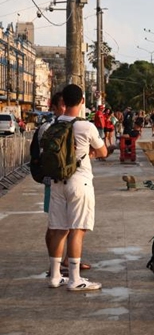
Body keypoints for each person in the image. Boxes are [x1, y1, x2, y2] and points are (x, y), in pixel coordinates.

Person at [46, 84, 108, 291]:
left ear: (63, 101)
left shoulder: (51, 126)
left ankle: (55, 276)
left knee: (58, 229)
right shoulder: (86, 127)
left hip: (57, 182)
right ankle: (75, 278)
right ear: (82, 101)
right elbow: (103, 152)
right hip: (79, 182)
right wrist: (88, 152)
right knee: (77, 231)